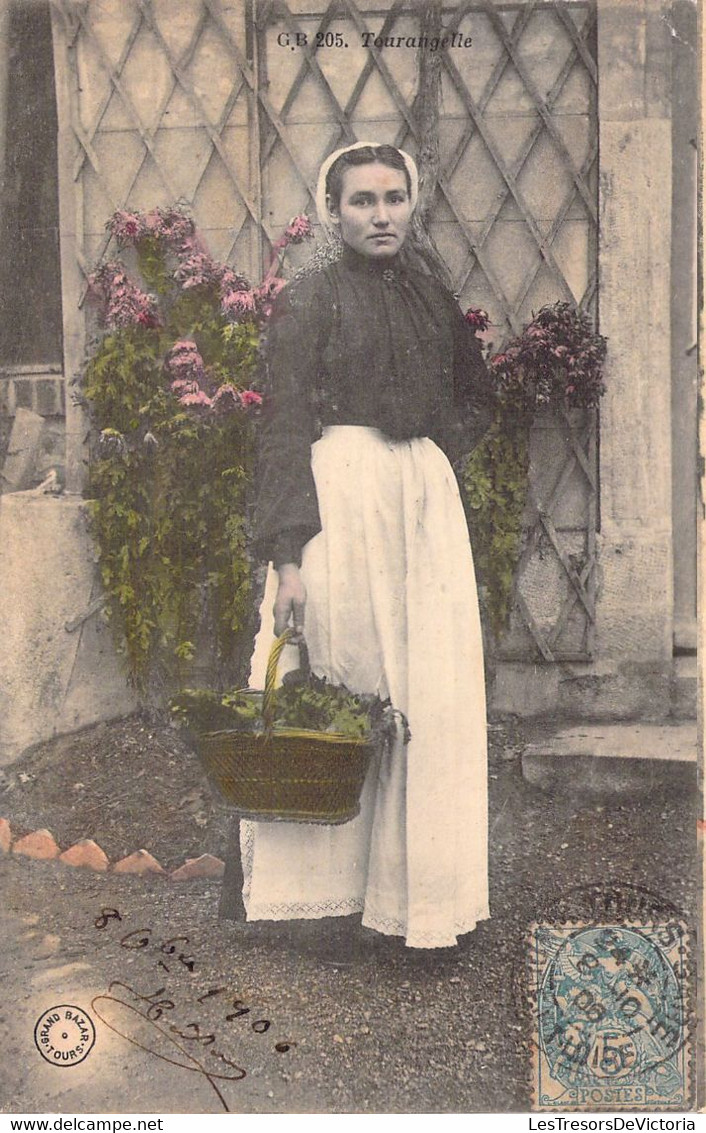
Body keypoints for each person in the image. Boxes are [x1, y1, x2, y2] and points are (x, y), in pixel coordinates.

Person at [241, 142, 493, 949]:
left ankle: (416, 900)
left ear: (411, 205)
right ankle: (319, 904)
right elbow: (279, 426)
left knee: (423, 690)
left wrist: (427, 458)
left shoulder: (429, 294)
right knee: (345, 673)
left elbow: (477, 393)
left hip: (420, 504)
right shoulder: (310, 299)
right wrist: (287, 556)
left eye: (393, 198)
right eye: (362, 201)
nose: (380, 215)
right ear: (333, 211)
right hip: (338, 501)